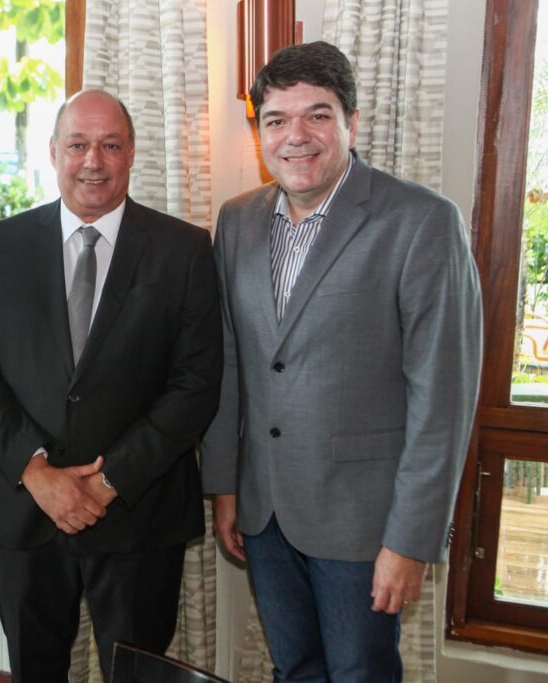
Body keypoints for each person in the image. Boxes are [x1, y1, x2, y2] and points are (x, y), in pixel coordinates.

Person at [200, 41, 483, 681]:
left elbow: (443, 396)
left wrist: (410, 540)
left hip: (365, 524)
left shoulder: (422, 222)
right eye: (276, 120)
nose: (296, 136)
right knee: (293, 669)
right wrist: (224, 487)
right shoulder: (237, 220)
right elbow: (230, 364)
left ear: (351, 123)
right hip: (264, 512)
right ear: (259, 133)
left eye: (317, 115)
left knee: (361, 674)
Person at [0, 89, 223, 681]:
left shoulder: (183, 250)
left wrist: (106, 482)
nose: (93, 161)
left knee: (136, 675)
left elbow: (196, 385)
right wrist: (36, 472)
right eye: (77, 144)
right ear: (53, 152)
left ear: (132, 155)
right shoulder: (4, 244)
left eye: (109, 145)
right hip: (24, 515)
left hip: (138, 514)